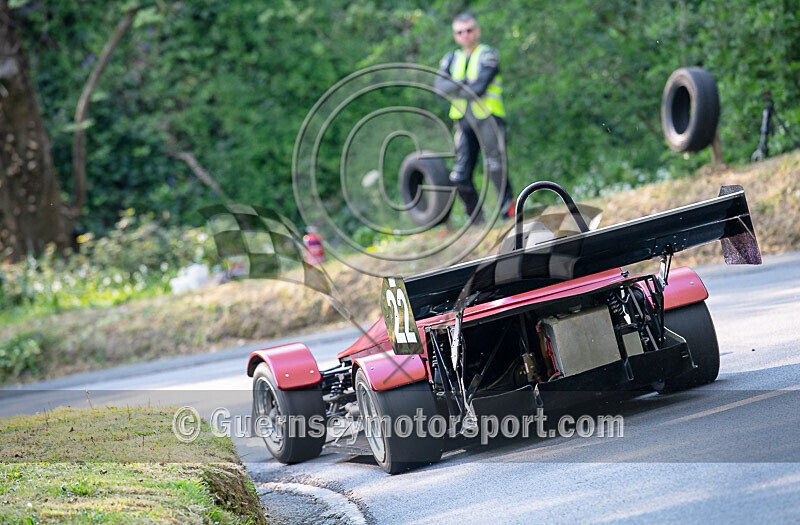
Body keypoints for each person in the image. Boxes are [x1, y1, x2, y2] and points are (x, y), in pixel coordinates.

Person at [435, 13, 514, 223]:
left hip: (488, 118)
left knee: (496, 168)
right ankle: (476, 220)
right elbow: (438, 87)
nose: (465, 35)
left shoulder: (488, 55)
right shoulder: (451, 58)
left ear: (477, 31)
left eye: (469, 30)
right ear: (455, 35)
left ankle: (510, 214)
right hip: (463, 122)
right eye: (460, 32)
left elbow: (478, 89)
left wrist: (454, 85)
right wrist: (464, 82)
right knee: (460, 175)